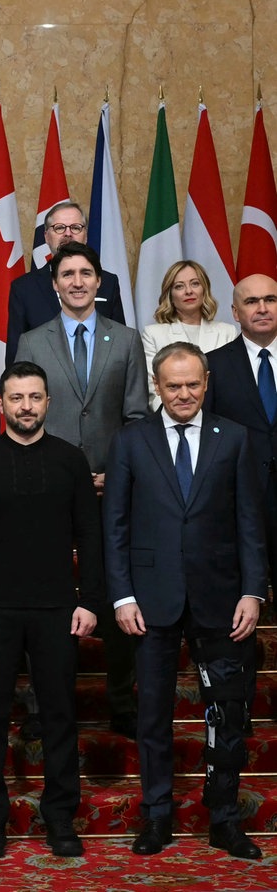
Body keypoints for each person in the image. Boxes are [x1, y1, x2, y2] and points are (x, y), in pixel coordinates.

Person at [105, 341, 266, 860]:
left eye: (192, 384)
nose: (183, 394)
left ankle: (224, 818)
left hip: (221, 599)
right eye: (172, 385)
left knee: (227, 713)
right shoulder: (131, 440)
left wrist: (252, 590)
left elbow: (249, 522)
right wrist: (122, 594)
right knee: (152, 713)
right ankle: (157, 818)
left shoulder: (234, 438)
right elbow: (117, 527)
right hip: (150, 602)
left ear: (206, 382)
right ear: (157, 385)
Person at [0, 360, 103, 859]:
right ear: (1, 404)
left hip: (58, 608)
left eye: (35, 397)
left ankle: (60, 818)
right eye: (16, 398)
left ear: (47, 402)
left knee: (60, 715)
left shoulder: (71, 460)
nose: (26, 407)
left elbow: (91, 537)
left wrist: (91, 601)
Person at [16, 240, 148, 738]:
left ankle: (121, 701)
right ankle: (40, 705)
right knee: (45, 596)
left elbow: (136, 416)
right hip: (47, 486)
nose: (76, 281)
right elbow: (25, 411)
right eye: (67, 273)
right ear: (54, 284)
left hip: (114, 487)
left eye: (85, 273)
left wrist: (117, 471)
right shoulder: (32, 341)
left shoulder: (127, 339)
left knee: (115, 593)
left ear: (99, 282)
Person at [205, 273, 277, 733]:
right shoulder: (214, 365)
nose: (263, 307)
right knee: (241, 622)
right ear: (235, 312)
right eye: (252, 301)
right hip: (238, 515)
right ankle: (240, 713)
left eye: (271, 299)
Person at [6, 201, 126, 367]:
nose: (68, 233)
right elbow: (16, 357)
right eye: (60, 228)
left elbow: (121, 345)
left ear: (86, 235)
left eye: (76, 227)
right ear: (46, 236)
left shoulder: (108, 282)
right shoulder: (24, 288)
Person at [141, 260, 236, 409]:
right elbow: (154, 391)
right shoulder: (153, 334)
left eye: (195, 284)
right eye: (179, 286)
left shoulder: (227, 332)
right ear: (170, 294)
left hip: (220, 419)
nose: (188, 291)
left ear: (204, 289)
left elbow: (231, 386)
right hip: (172, 419)